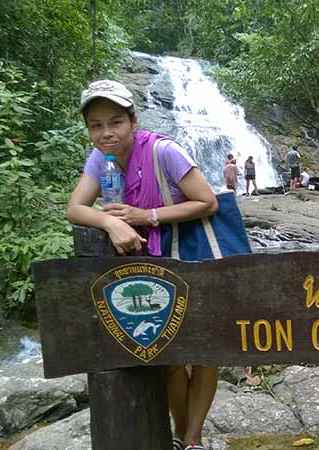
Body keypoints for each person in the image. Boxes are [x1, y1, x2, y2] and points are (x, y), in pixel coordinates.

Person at [66, 80, 218, 450]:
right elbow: (76, 208)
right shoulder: (100, 160)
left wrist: (144, 216)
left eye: (115, 122)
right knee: (168, 359)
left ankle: (192, 439)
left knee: (206, 353)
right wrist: (112, 222)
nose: (106, 132)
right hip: (149, 267)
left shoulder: (164, 151)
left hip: (192, 258)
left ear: (133, 122)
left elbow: (208, 201)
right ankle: (183, 435)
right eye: (96, 124)